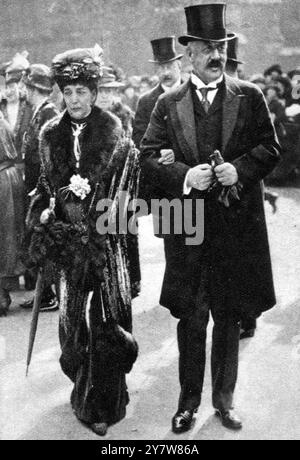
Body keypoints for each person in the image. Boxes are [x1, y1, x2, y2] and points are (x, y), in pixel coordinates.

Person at [141, 3, 281, 434]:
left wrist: (240, 168)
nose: (214, 54)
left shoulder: (250, 96)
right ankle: (187, 402)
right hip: (188, 228)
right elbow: (147, 156)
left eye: (219, 46)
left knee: (228, 315)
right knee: (191, 316)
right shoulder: (167, 103)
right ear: (189, 55)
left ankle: (224, 400)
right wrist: (185, 176)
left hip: (236, 230)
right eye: (205, 47)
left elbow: (271, 148)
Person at [26, 45, 140, 436]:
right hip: (64, 246)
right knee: (71, 328)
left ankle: (104, 405)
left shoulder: (115, 134)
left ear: (94, 92)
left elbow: (126, 196)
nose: (74, 99)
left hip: (106, 245)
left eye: (82, 91)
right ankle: (82, 387)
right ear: (60, 93)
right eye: (68, 91)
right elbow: (43, 186)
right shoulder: (48, 135)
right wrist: (43, 210)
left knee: (107, 324)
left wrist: (99, 225)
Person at [20, 64, 59, 309]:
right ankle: (43, 292)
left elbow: (50, 155)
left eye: (26, 85)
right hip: (35, 185)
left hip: (43, 187)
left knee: (43, 239)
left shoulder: (48, 113)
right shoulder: (39, 111)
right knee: (37, 239)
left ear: (32, 87)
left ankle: (50, 294)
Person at [133, 36, 183, 149]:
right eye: (161, 67)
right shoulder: (145, 101)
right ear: (155, 70)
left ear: (179, 65)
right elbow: (139, 139)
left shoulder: (193, 91)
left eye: (170, 66)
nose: (166, 72)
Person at [0, 117, 24, 316]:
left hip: (3, 178)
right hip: (8, 175)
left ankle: (2, 295)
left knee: (6, 236)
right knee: (8, 235)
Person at [0, 52, 32, 174]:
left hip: (25, 167)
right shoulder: (0, 108)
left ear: (21, 86)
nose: (9, 92)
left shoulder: (29, 107)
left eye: (13, 87)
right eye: (7, 87)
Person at [96, 67, 134, 136]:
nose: (104, 96)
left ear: (113, 92)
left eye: (108, 91)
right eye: (99, 91)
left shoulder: (124, 113)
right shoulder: (85, 114)